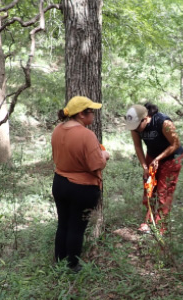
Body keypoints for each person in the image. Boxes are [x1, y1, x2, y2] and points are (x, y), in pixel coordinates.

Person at [51, 96, 110, 272]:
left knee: (63, 224)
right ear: (82, 115)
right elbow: (96, 165)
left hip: (60, 183)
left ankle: (60, 261)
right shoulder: (86, 135)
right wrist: (105, 156)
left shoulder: (57, 130)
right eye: (91, 112)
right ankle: (73, 266)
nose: (94, 115)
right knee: (77, 228)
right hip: (82, 188)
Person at [125, 103, 183, 234]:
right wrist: (145, 166)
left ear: (145, 118)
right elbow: (138, 147)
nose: (135, 130)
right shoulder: (135, 126)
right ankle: (148, 220)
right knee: (149, 189)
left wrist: (158, 159)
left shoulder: (163, 122)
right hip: (151, 156)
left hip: (171, 157)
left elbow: (176, 144)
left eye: (137, 126)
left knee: (164, 192)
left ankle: (161, 226)